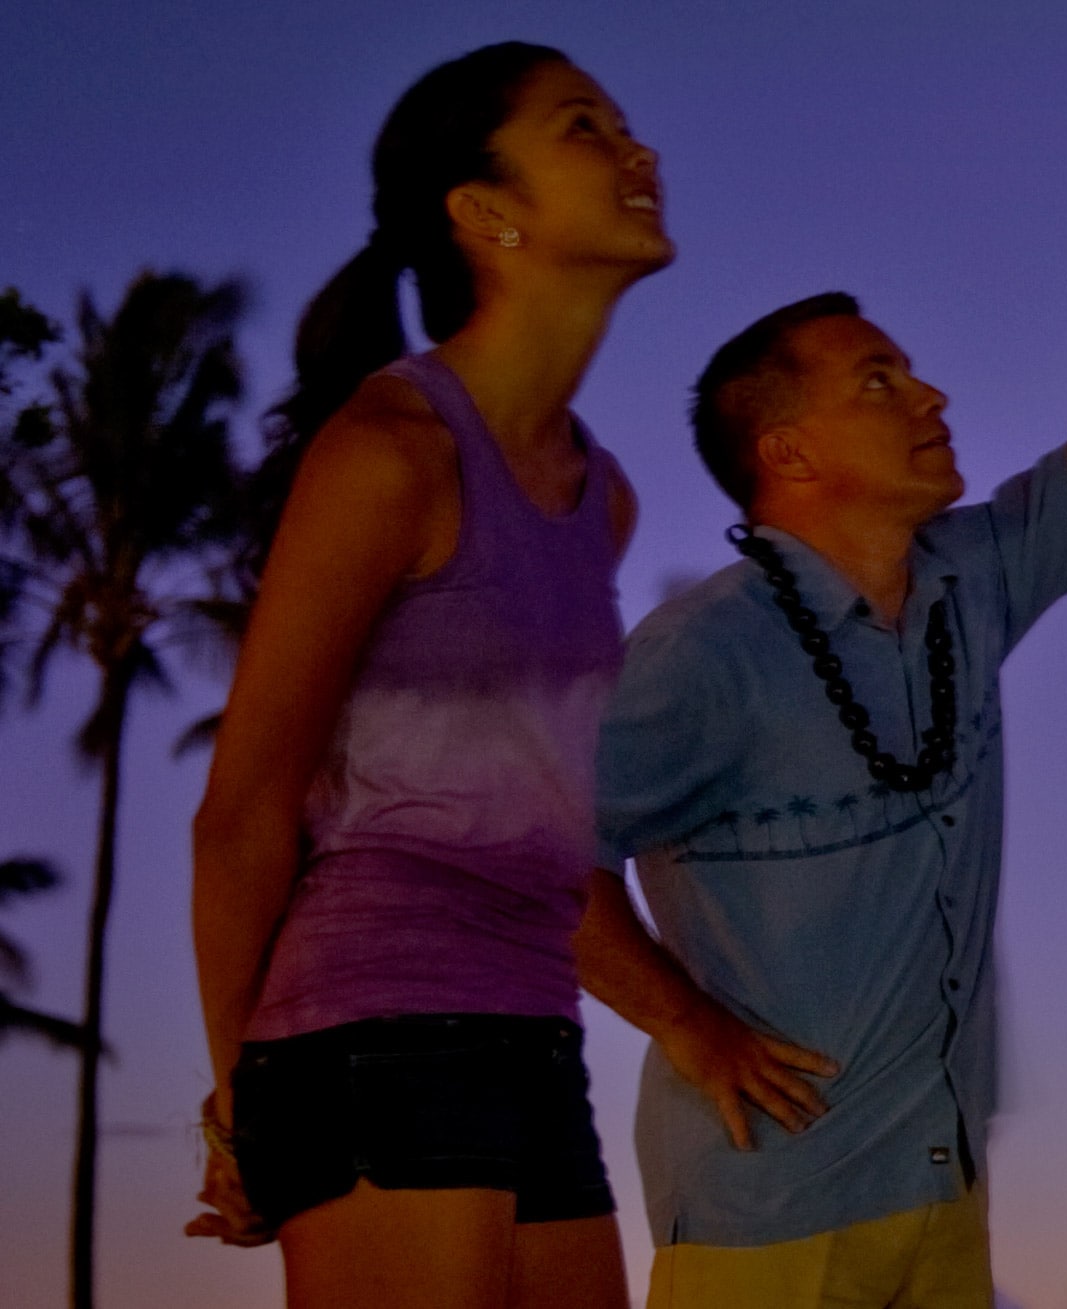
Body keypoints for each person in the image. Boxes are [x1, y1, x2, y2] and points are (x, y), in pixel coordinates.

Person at [572, 135, 1067, 1309]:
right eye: (878, 380)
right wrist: (684, 1022)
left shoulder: (965, 584)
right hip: (768, 1215)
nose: (929, 396)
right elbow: (531, 852)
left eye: (911, 372)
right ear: (788, 452)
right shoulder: (702, 653)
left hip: (938, 1190)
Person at [186, 42, 668, 1308]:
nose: (639, 153)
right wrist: (241, 1102)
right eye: (584, 128)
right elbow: (242, 811)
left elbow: (549, 830)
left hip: (530, 1031)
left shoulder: (596, 496)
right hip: (375, 1022)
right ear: (486, 212)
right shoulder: (391, 452)